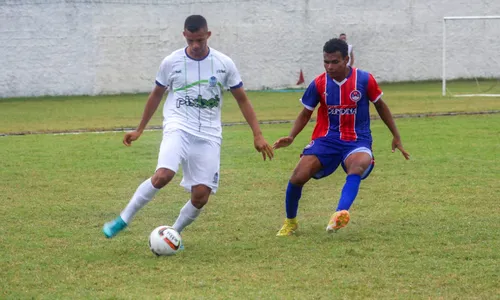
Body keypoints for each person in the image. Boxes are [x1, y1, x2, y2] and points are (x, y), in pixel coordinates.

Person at [102, 15, 274, 247]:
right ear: (184, 35)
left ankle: (173, 234)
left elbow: (242, 99)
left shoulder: (224, 63)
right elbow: (156, 95)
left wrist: (257, 134)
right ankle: (123, 219)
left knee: (201, 195)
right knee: (163, 175)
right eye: (191, 40)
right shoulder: (171, 62)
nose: (195, 45)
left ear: (208, 35)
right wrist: (139, 129)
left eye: (200, 40)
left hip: (209, 135)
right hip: (178, 126)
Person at [274, 38, 409, 236]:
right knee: (298, 176)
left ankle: (340, 214)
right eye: (326, 62)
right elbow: (306, 112)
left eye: (335, 62)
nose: (329, 67)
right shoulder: (319, 83)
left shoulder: (364, 80)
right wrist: (292, 136)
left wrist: (396, 136)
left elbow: (381, 106)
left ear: (347, 59)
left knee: (357, 165)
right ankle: (290, 222)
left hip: (357, 140)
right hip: (326, 139)